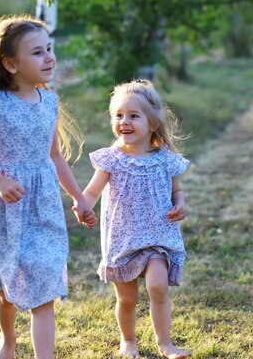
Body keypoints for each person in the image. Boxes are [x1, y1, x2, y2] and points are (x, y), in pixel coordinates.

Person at [0, 14, 96, 359]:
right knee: (6, 286)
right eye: (37, 52)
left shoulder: (50, 102)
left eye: (49, 49)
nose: (49, 57)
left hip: (42, 204)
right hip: (2, 206)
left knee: (43, 283)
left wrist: (79, 198)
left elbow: (55, 158)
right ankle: (8, 341)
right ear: (10, 63)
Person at [80, 79, 191, 359]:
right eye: (118, 115)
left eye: (133, 116)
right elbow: (92, 191)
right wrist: (83, 206)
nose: (123, 121)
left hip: (157, 236)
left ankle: (164, 343)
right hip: (123, 238)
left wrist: (180, 205)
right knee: (127, 298)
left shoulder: (166, 159)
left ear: (152, 123)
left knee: (158, 286)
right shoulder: (112, 159)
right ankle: (128, 341)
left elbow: (177, 191)